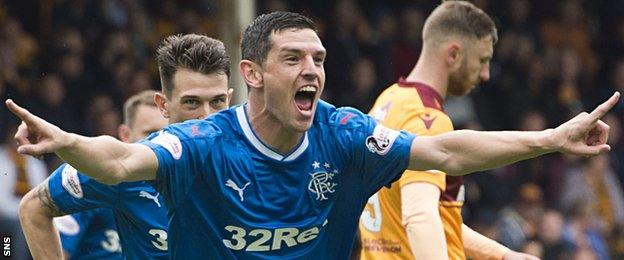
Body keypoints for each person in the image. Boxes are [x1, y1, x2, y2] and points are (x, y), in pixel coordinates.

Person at [5, 11, 619, 259]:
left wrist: (550, 139)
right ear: (254, 73)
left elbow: (446, 151)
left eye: (319, 59)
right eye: (294, 58)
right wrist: (65, 141)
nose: (313, 71)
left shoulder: (347, 134)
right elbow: (113, 164)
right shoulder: (199, 145)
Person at [16, 34, 232, 259]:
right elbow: (34, 207)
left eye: (217, 101)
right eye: (191, 102)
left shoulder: (257, 156)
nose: (206, 118)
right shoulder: (125, 175)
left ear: (230, 98)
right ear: (164, 106)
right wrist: (65, 140)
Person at [358, 1, 535, 259]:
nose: (485, 74)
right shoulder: (427, 118)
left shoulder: (388, 100)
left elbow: (435, 219)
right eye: (482, 60)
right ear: (453, 55)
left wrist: (503, 255)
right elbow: (420, 218)